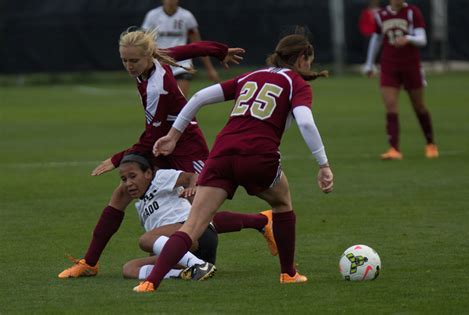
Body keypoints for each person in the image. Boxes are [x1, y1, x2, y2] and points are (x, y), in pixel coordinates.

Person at [133, 34, 335, 292]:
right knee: (282, 204)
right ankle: (288, 273)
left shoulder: (250, 76)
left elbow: (198, 98)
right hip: (258, 156)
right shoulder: (296, 83)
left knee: (193, 225)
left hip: (221, 154)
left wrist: (173, 136)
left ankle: (150, 282)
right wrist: (323, 164)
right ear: (302, 59)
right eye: (309, 60)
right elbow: (305, 122)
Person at [58, 29, 245, 278]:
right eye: (124, 60)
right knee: (125, 189)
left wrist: (116, 159)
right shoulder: (154, 59)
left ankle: (256, 225)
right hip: (164, 142)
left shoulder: (158, 87)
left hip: (188, 148)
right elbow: (191, 49)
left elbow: (150, 138)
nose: (128, 66)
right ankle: (90, 262)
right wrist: (221, 50)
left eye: (133, 60)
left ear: (147, 56)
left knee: (200, 206)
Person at [116, 154, 277, 281]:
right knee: (129, 269)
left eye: (133, 176)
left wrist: (193, 188)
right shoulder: (141, 206)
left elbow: (191, 176)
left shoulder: (160, 178)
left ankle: (197, 265)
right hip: (187, 252)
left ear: (148, 173)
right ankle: (186, 273)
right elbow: (159, 244)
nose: (128, 183)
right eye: (124, 179)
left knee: (145, 240)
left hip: (195, 235)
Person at [363, 0, 439, 160]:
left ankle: (431, 144)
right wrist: (370, 64)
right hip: (389, 65)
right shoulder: (381, 15)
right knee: (390, 105)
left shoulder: (412, 12)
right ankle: (394, 149)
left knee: (419, 106)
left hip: (411, 65)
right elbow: (376, 39)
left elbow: (422, 38)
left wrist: (408, 38)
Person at [142, 0, 220, 97]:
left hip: (181, 63)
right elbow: (145, 43)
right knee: (161, 104)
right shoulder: (152, 16)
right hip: (159, 63)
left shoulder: (187, 16)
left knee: (180, 101)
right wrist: (144, 68)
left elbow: (198, 45)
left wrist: (210, 69)